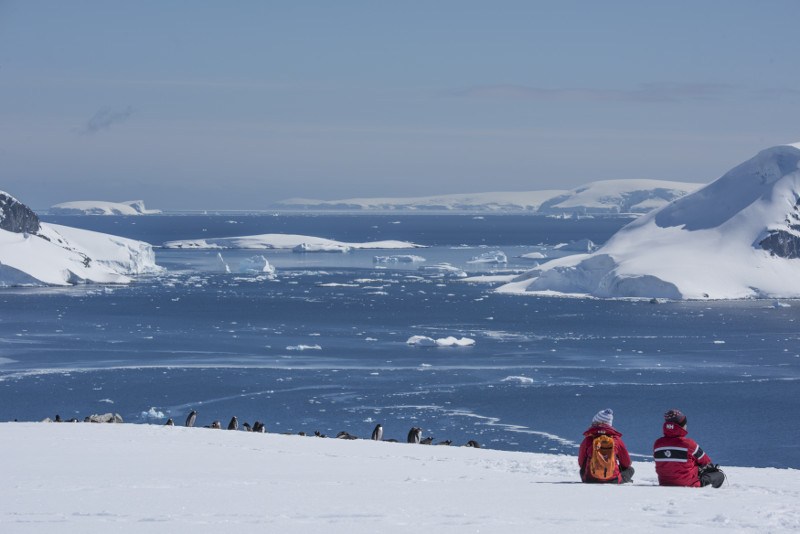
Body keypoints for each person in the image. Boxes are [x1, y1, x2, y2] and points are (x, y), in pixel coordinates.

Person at [653, 409, 724, 488]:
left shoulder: (658, 444)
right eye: (685, 424)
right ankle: (712, 493)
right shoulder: (689, 444)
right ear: (681, 426)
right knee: (719, 476)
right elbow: (706, 462)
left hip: (664, 483)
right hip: (689, 484)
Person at [578, 408, 634, 484]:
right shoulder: (616, 440)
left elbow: (581, 463)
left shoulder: (588, 439)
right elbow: (626, 463)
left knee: (582, 470)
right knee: (630, 470)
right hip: (613, 480)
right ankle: (620, 478)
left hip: (590, 479)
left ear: (595, 423)